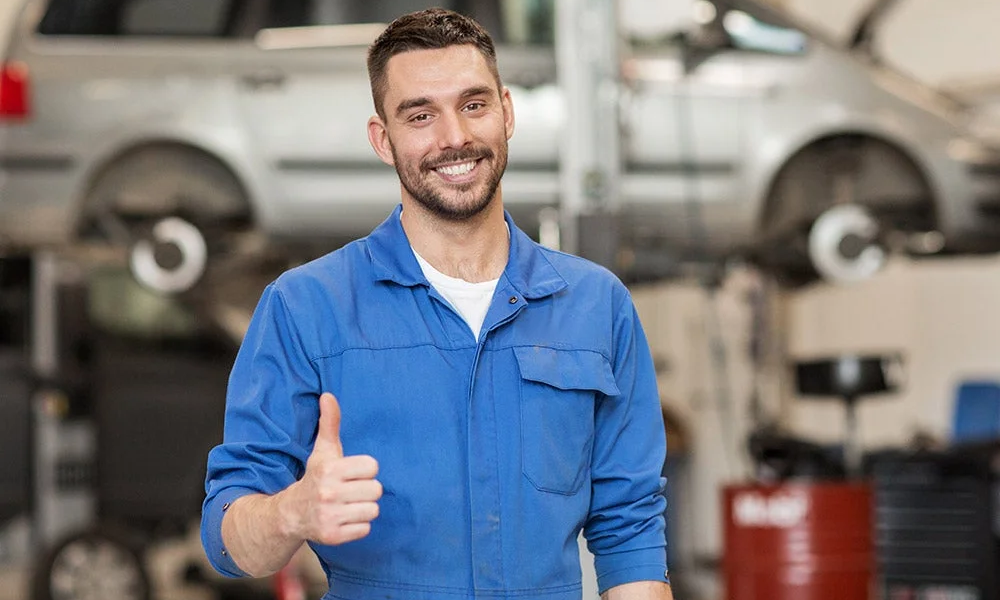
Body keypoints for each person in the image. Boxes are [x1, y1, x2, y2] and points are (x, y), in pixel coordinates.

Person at [201, 8, 674, 600]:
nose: (454, 137)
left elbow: (629, 531)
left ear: (506, 111)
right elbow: (227, 539)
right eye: (420, 115)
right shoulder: (305, 308)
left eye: (473, 105)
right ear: (383, 139)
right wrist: (291, 513)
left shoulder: (596, 305)